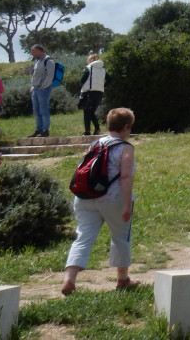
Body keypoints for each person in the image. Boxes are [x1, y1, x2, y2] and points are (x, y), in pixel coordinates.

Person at [61, 107, 138, 296]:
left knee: (83, 237)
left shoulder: (95, 143)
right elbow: (126, 176)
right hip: (113, 199)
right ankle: (122, 279)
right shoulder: (125, 147)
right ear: (126, 127)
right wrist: (127, 204)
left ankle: (69, 279)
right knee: (120, 236)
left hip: (85, 197)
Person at [29, 44, 54, 137]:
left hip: (43, 89)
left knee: (43, 109)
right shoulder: (37, 61)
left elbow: (50, 75)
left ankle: (45, 129)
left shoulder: (48, 60)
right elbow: (35, 75)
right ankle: (38, 129)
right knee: (36, 110)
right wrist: (33, 86)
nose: (32, 54)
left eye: (34, 51)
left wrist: (43, 86)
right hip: (35, 89)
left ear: (40, 51)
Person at [78, 53, 106, 136]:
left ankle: (87, 131)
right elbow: (110, 79)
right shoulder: (103, 70)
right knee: (92, 112)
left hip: (89, 92)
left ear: (90, 60)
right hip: (99, 93)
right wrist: (102, 86)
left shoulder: (89, 68)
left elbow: (82, 80)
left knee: (87, 111)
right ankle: (97, 128)